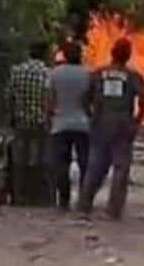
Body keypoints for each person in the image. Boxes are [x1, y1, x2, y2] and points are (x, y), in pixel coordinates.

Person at [77, 37, 144, 219]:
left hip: (100, 124)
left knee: (95, 167)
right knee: (120, 168)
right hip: (123, 125)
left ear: (112, 53)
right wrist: (137, 120)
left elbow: (84, 98)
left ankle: (84, 205)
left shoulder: (97, 74)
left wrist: (91, 116)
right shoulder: (133, 76)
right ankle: (114, 209)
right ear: (128, 56)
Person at [6, 42, 54, 206]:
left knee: (20, 159)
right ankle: (39, 197)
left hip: (21, 121)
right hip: (41, 122)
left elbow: (10, 97)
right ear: (45, 54)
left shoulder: (16, 71)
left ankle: (19, 196)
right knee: (41, 159)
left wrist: (12, 116)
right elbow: (51, 99)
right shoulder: (48, 74)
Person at [47, 41, 92, 210]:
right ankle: (84, 199)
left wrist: (49, 118)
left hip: (60, 125)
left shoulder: (55, 74)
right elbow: (89, 101)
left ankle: (64, 200)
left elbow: (50, 101)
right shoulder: (88, 74)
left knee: (61, 164)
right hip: (83, 125)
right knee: (84, 163)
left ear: (64, 55)